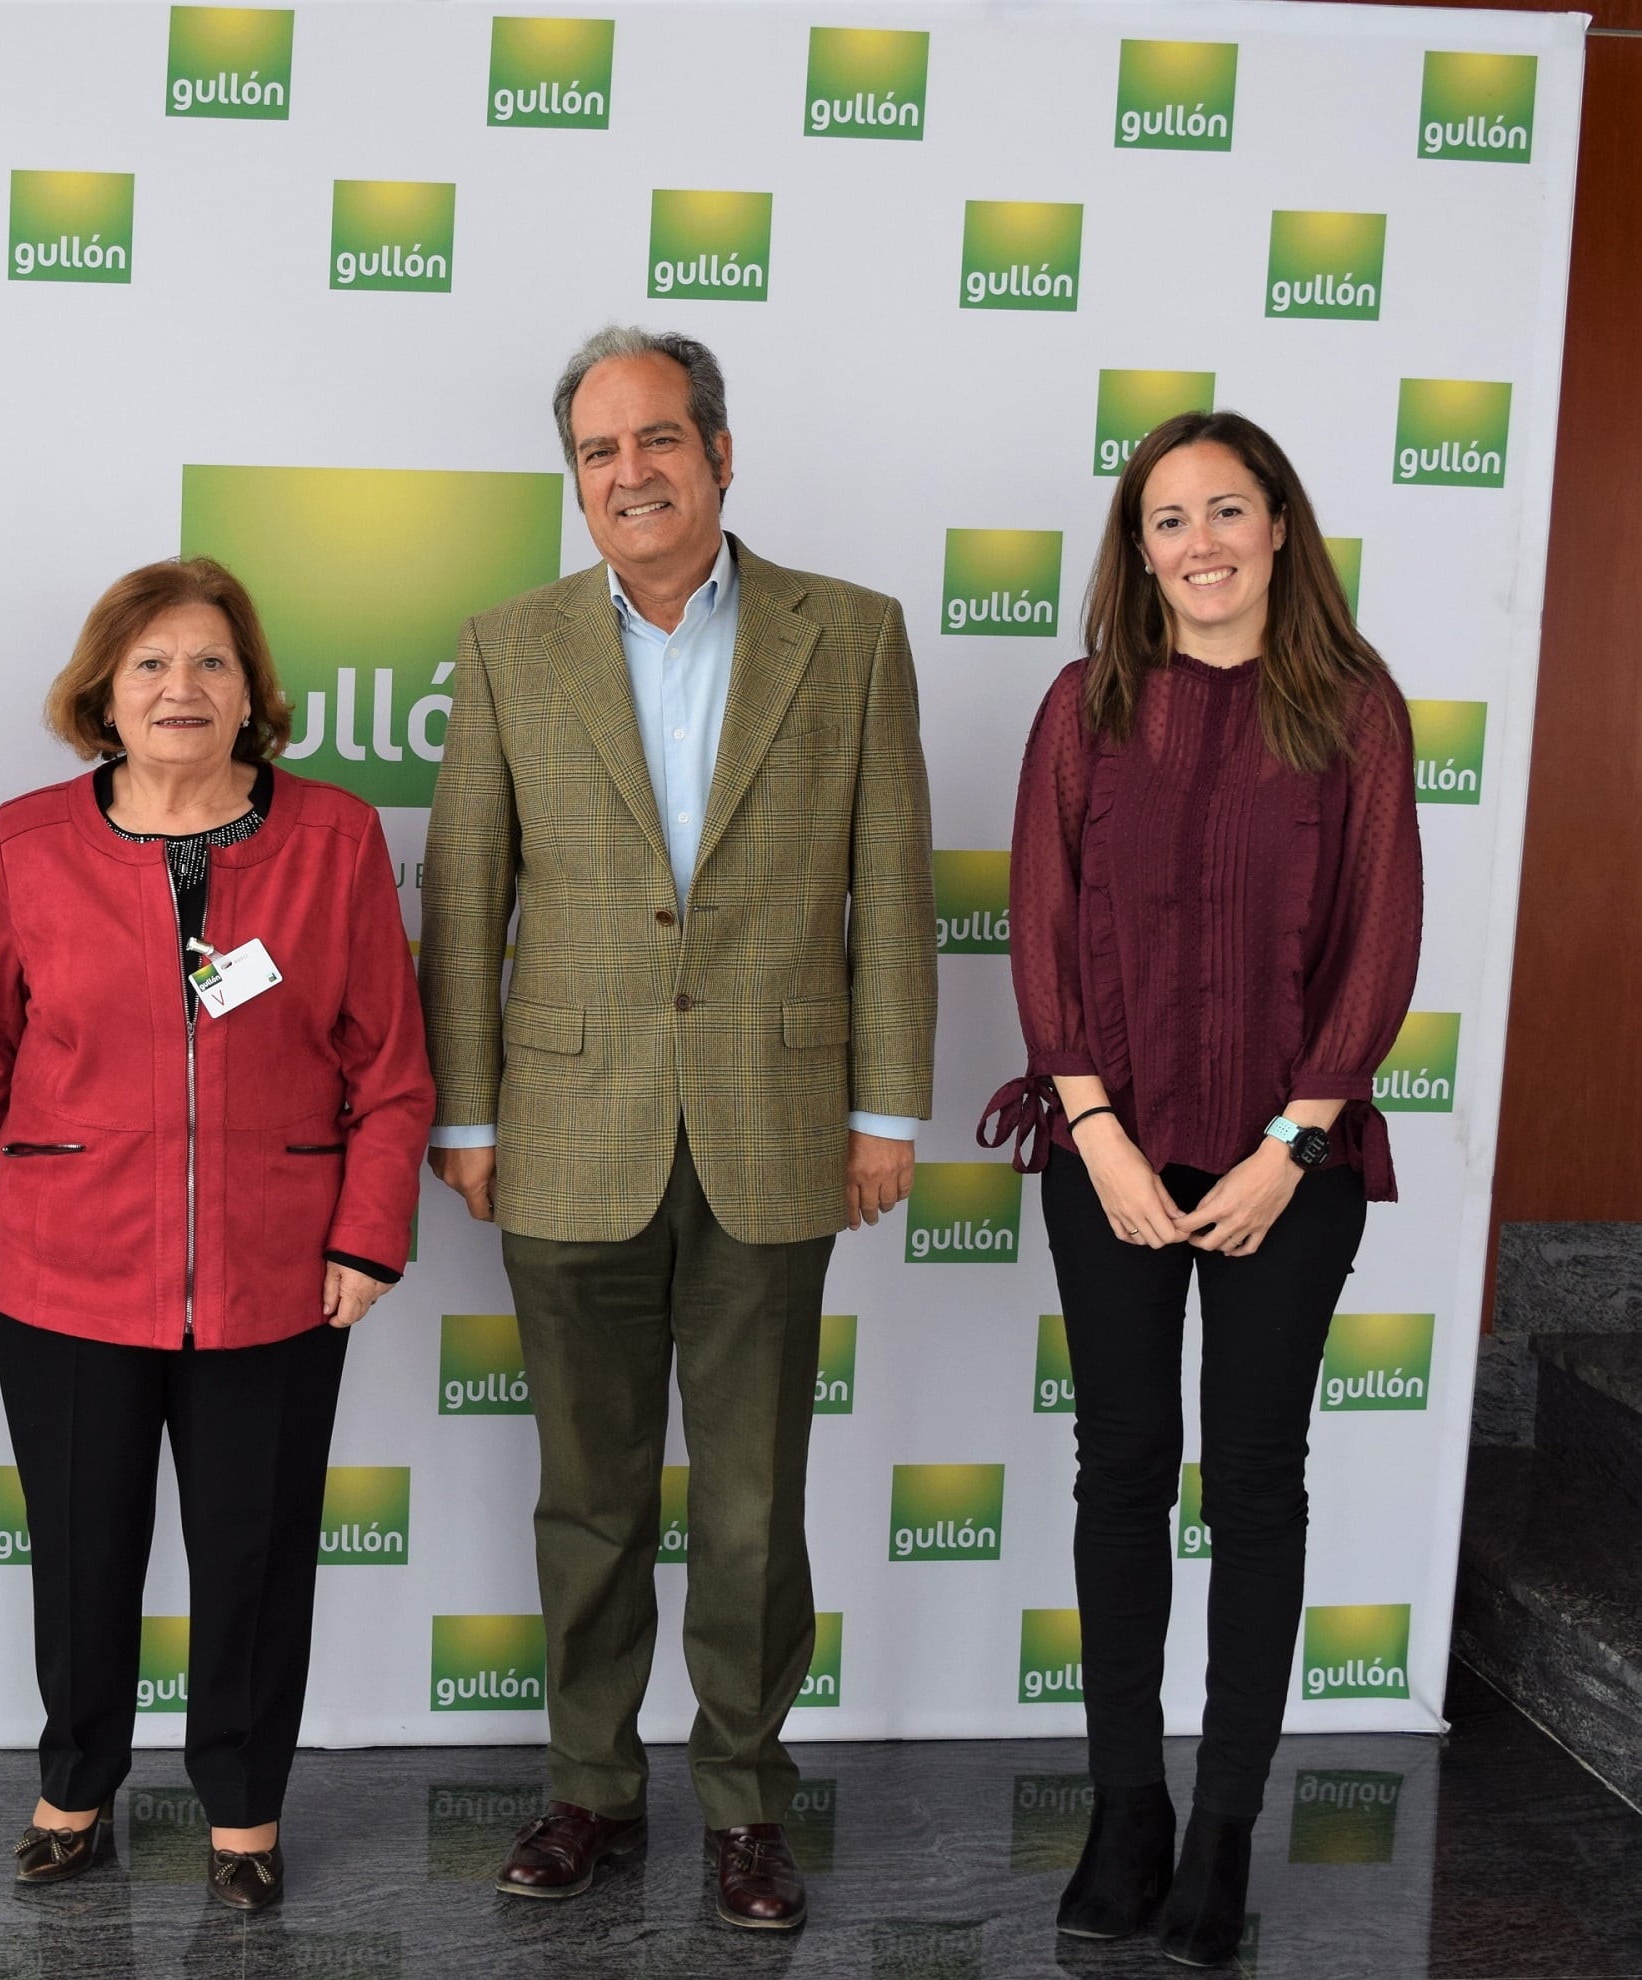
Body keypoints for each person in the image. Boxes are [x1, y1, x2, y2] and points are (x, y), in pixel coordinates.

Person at [419, 326, 937, 1933]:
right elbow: (464, 899)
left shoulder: (847, 634)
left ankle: (743, 1803)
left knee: (750, 1502)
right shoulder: (510, 646)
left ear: (720, 452)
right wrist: (469, 1110)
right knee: (587, 1497)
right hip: (567, 1130)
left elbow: (895, 888)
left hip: (781, 1126)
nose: (628, 473)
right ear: (573, 480)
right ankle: (587, 1789)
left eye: (657, 440)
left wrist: (888, 1107)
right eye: (596, 451)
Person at [976, 410, 1422, 1967]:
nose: (1202, 542)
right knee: (1119, 1473)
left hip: (1289, 1165)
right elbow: (1041, 919)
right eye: (1169, 519)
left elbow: (1378, 942)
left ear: (1282, 526)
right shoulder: (1082, 707)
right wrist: (1089, 1126)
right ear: (1138, 548)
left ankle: (1225, 1824)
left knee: (1254, 1480)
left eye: (1229, 509)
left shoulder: (1355, 711)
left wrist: (1290, 1150)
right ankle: (1127, 1810)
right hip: (1110, 1145)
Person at [0, 558, 433, 1912]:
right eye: (151, 662)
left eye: (210, 662)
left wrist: (368, 1234)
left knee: (255, 1556)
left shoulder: (332, 840)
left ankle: (244, 1806)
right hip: (64, 1266)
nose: (181, 687)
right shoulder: (27, 840)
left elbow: (391, 1063)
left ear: (252, 693)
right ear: (103, 689)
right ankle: (75, 1785)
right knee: (84, 1550)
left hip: (277, 1275)